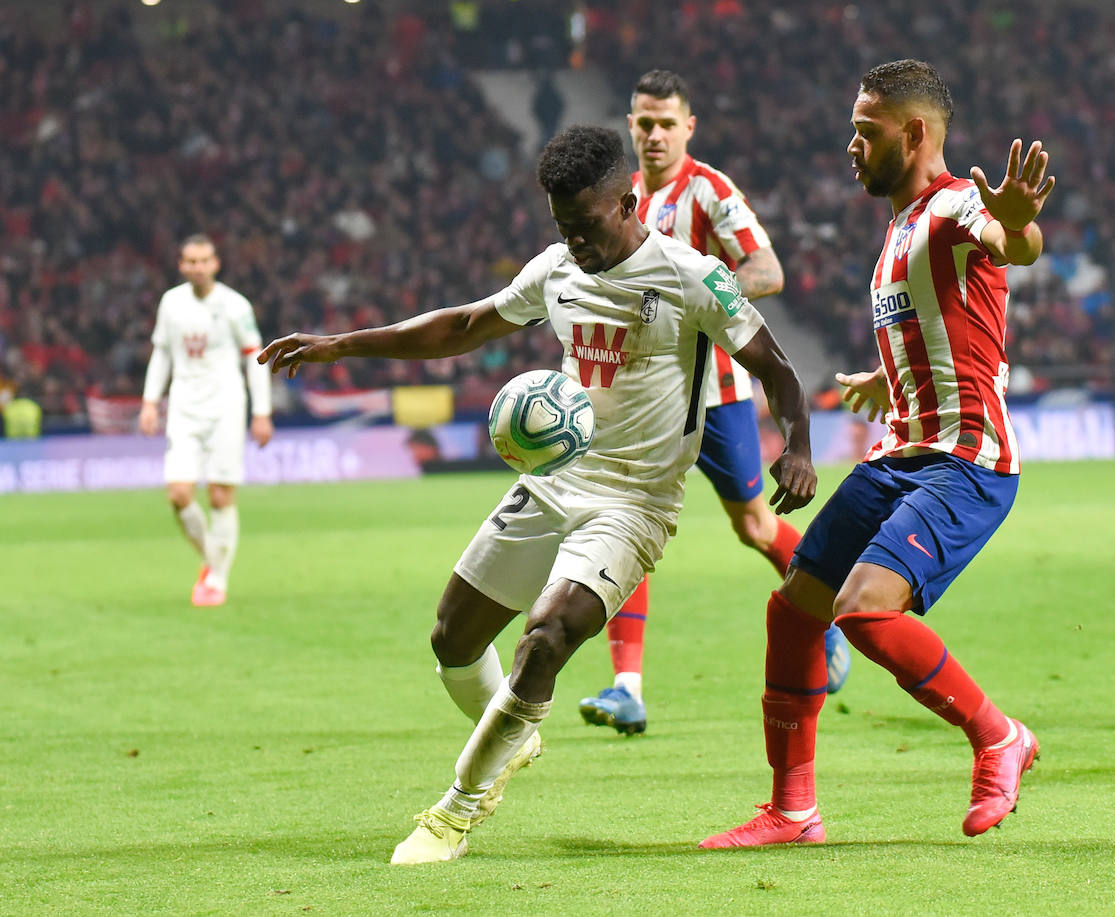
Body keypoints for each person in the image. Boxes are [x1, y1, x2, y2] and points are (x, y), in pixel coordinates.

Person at [258, 126, 816, 864]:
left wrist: (798, 447)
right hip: (555, 480)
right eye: (563, 228)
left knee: (547, 636)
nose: (575, 243)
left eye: (586, 226)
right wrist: (343, 344)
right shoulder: (556, 268)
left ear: (628, 200)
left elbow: (776, 367)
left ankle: (455, 809)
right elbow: (461, 324)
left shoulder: (691, 278)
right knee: (452, 640)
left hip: (634, 504)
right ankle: (513, 731)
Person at [700, 59, 1054, 848]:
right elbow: (953, 327)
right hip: (901, 452)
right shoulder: (899, 225)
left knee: (863, 609)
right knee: (794, 610)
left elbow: (1011, 241)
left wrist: (1019, 223)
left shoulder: (959, 204)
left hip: (965, 462)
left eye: (868, 130)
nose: (851, 144)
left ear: (916, 132)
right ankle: (792, 811)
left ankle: (1000, 736)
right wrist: (885, 379)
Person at [576, 69, 850, 738]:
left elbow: (768, 270)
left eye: (668, 123)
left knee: (756, 526)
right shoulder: (621, 196)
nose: (655, 134)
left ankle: (831, 616)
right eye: (644, 122)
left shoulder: (711, 190)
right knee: (622, 520)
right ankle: (626, 687)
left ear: (688, 127)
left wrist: (698, 296)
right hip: (643, 397)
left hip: (719, 393)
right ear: (630, 124)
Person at [139, 234, 273, 607]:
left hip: (226, 406)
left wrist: (261, 411)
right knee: (179, 494)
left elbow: (255, 358)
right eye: (190, 261)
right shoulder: (171, 302)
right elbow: (162, 354)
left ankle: (216, 578)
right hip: (183, 407)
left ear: (215, 263)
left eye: (204, 261)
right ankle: (213, 559)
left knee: (219, 495)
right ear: (181, 265)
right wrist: (150, 402)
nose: (197, 267)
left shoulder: (234, 305)